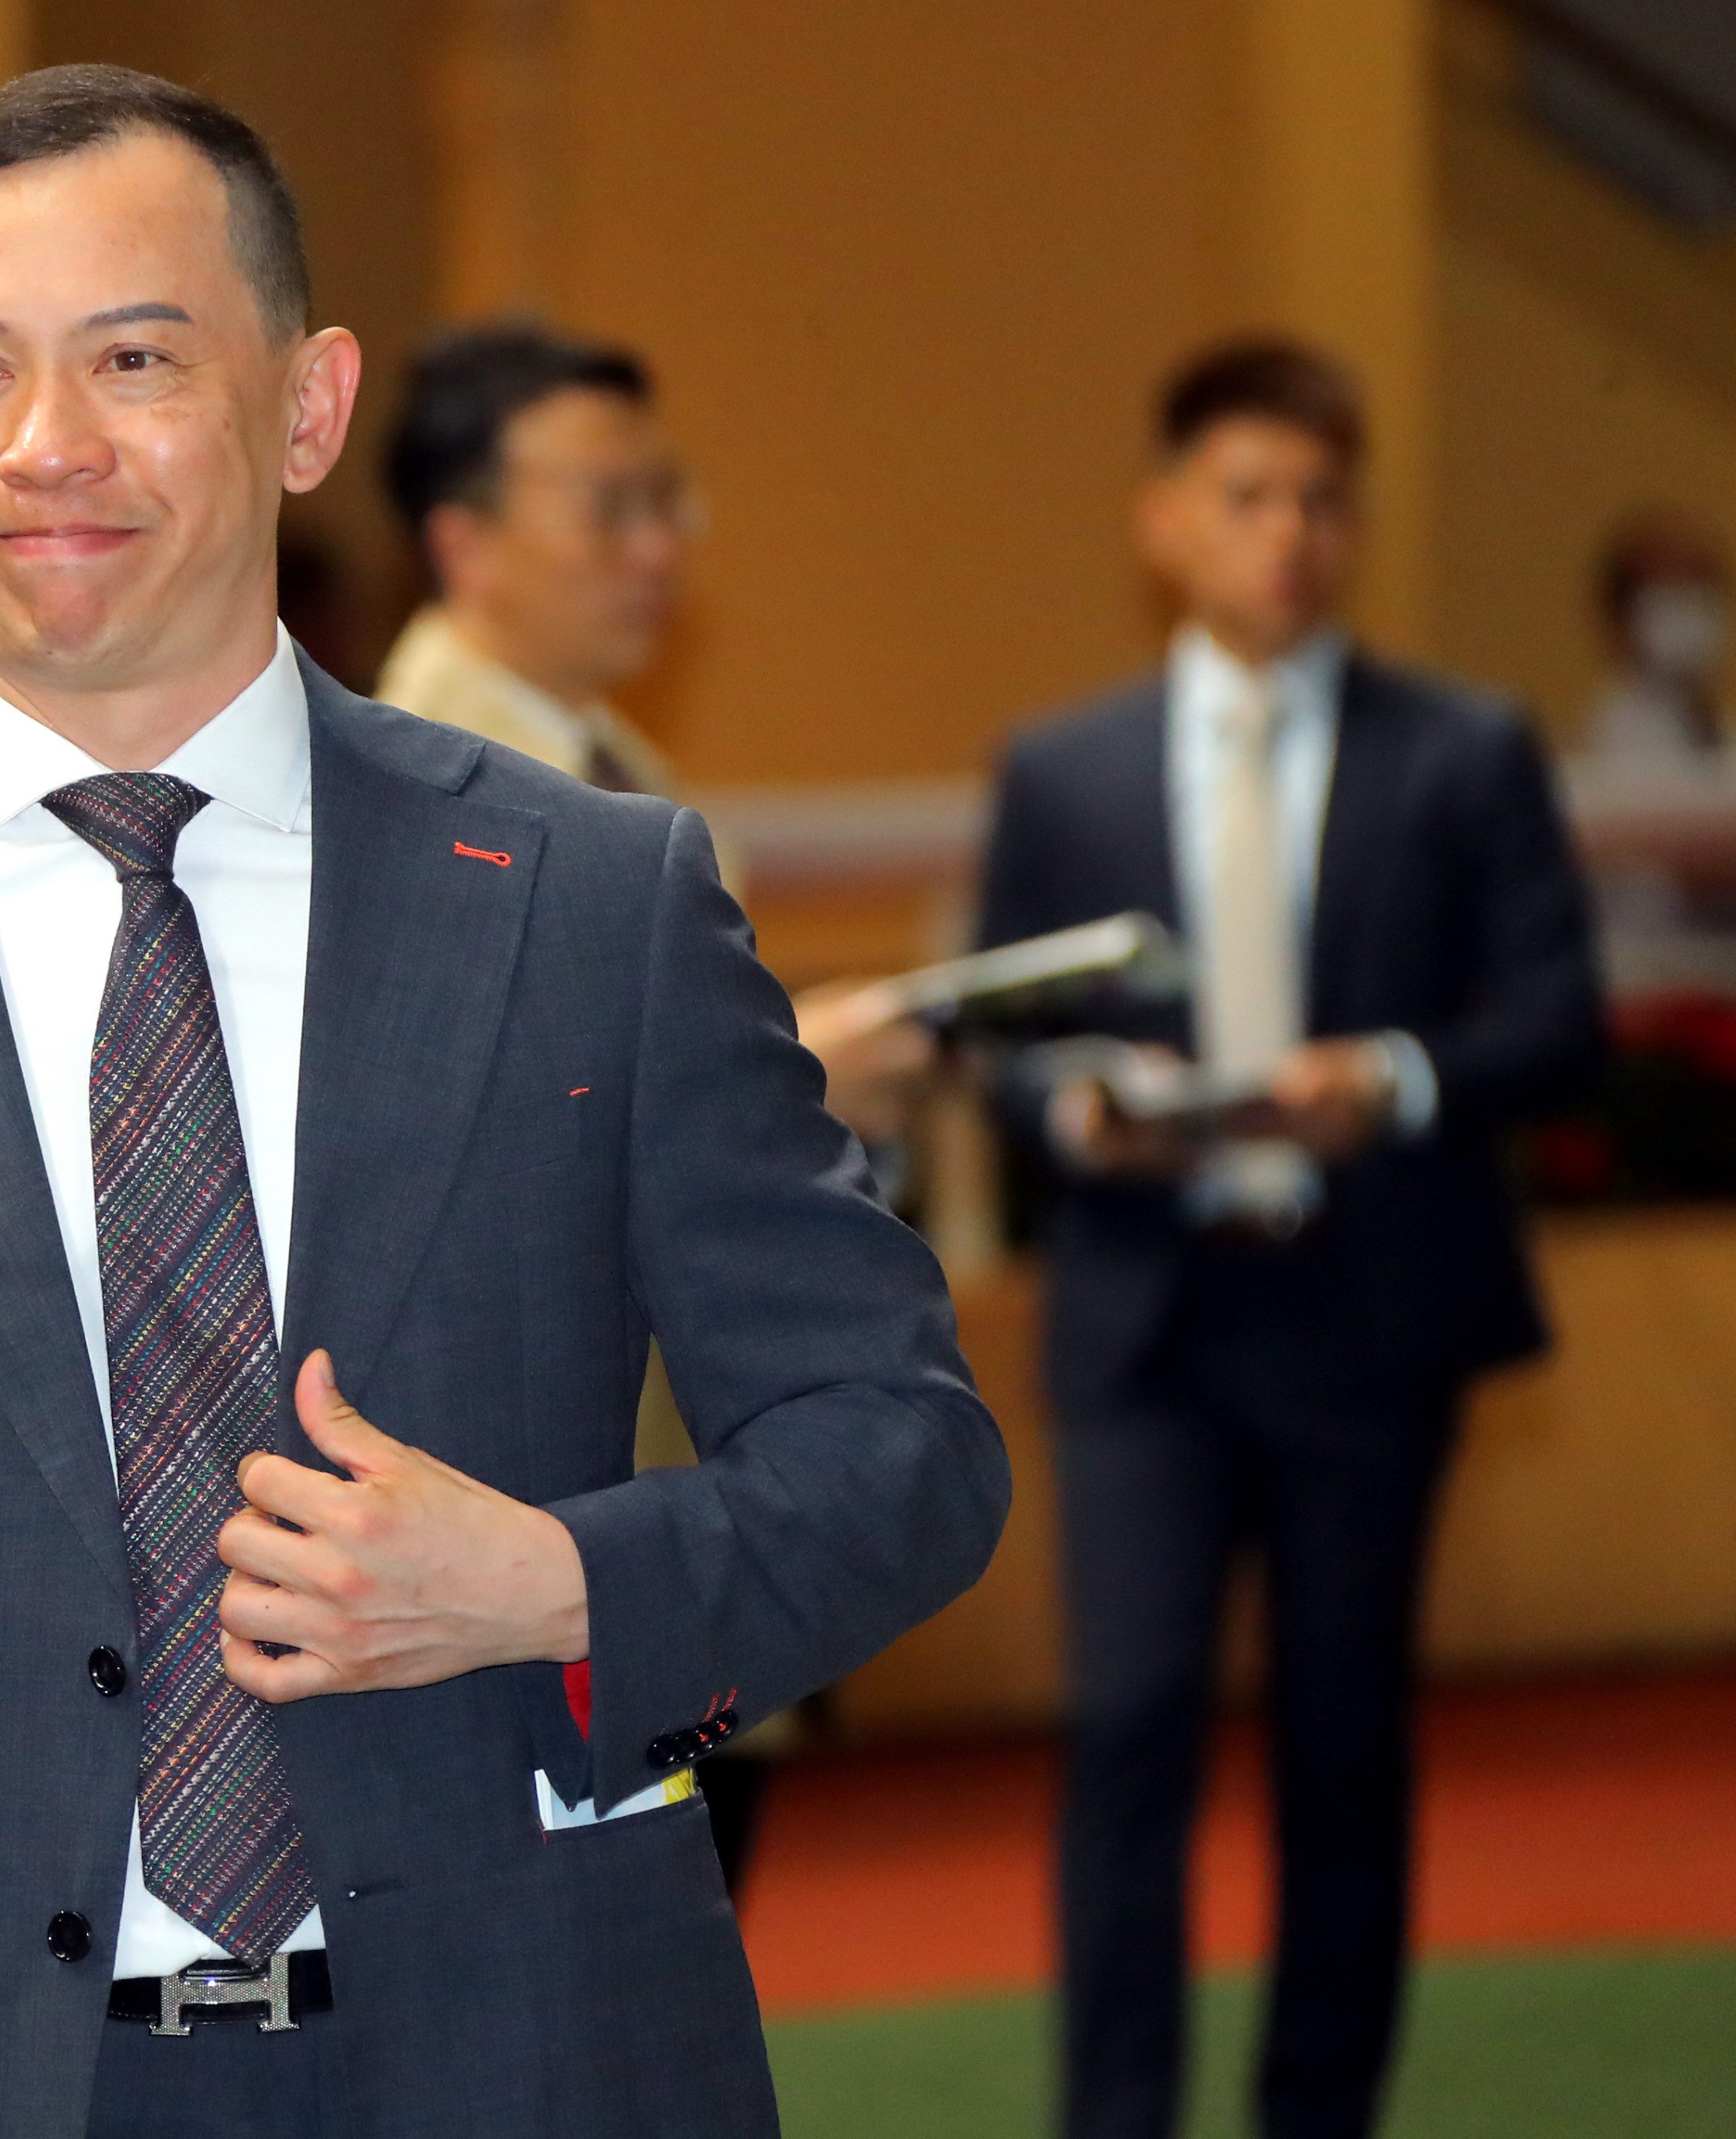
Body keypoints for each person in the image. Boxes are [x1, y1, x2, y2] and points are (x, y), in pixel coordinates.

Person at [0, 65, 1008, 2139]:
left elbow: (906, 1454)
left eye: (137, 357)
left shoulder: (587, 903)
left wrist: (552, 1580)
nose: (47, 446)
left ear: (308, 405)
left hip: (519, 2059)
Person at [974, 336, 1603, 2139]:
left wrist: (1396, 1078)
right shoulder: (1064, 767)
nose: (1293, 534)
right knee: (1130, 1731)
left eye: (1326, 497)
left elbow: (1558, 1017)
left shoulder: (1465, 750)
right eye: (1250, 496)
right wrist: (1069, 1114)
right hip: (1148, 1327)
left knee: (1344, 1748)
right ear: (1166, 523)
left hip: (1367, 1315)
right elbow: (1004, 1049)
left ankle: (1319, 2115)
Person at [376, 323, 932, 1148]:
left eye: (666, 500)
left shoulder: (620, 764)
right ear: (465, 547)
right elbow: (477, 1132)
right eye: (609, 510)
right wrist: (782, 1079)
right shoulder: (415, 790)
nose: (658, 550)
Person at [1583, 506, 1727, 777]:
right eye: (1668, 598)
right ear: (1621, 620)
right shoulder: (1622, 735)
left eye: (1696, 592)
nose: (1688, 613)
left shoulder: (1711, 726)